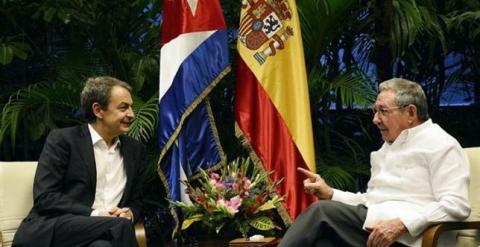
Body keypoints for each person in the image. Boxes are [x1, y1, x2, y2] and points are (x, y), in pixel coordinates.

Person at [278, 78, 470, 247]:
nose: (375, 119)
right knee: (322, 242)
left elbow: (456, 204)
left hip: (410, 239)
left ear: (411, 113)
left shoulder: (441, 144)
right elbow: (372, 201)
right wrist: (330, 193)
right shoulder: (389, 146)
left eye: (383, 111)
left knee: (320, 212)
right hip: (374, 230)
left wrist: (403, 223)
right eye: (375, 111)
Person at [13, 76, 146, 247]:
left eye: (131, 107)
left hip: (108, 233)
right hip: (60, 228)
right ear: (98, 110)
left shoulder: (135, 150)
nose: (131, 114)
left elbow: (137, 201)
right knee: (120, 226)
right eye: (123, 108)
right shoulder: (63, 140)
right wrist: (97, 214)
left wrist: (130, 214)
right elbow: (46, 198)